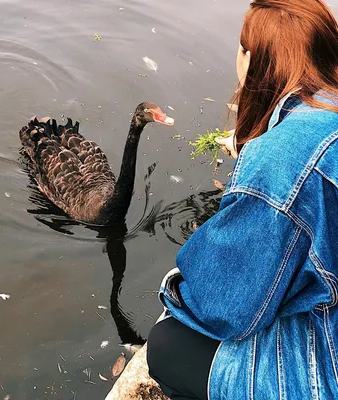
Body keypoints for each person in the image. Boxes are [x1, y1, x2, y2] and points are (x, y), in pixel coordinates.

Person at [146, 0, 338, 399]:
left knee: (168, 344)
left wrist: (175, 288)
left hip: (329, 373)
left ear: (249, 59)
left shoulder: (282, 156)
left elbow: (223, 306)